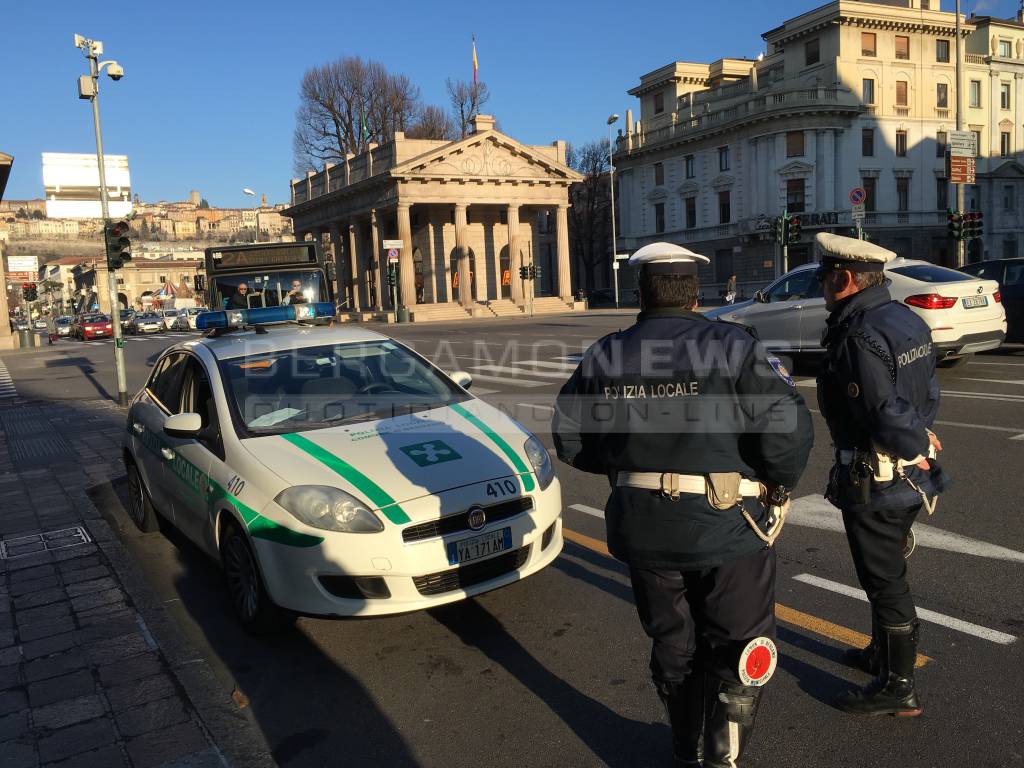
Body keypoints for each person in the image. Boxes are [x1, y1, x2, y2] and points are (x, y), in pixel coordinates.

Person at [552, 242, 813, 767]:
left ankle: (685, 745)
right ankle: (723, 758)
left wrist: (627, 467)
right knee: (739, 642)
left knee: (673, 641)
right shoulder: (732, 344)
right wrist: (776, 483)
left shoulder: (607, 353)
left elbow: (570, 439)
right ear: (695, 294)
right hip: (729, 524)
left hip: (644, 527)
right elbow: (786, 430)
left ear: (640, 294)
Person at [814, 232, 948, 717]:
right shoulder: (903, 317)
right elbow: (926, 390)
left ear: (844, 279)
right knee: (887, 570)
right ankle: (881, 652)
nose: (823, 287)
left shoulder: (856, 333)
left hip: (878, 479)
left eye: (826, 278)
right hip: (909, 475)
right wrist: (923, 440)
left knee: (884, 581)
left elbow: (883, 411)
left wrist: (911, 442)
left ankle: (898, 685)